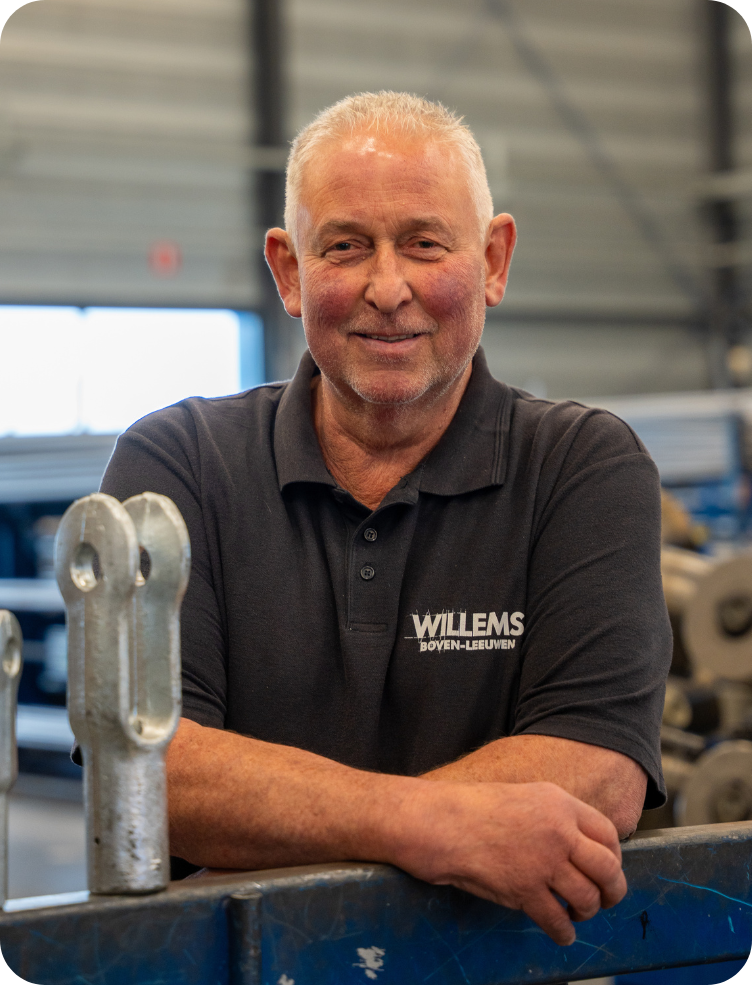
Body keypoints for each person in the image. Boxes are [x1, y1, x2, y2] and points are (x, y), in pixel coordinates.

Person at [100, 91, 672, 947]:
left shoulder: (583, 467)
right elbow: (150, 772)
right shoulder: (179, 465)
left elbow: (594, 772)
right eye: (346, 247)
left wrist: (279, 836)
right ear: (290, 272)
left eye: (424, 243)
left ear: (494, 259)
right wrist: (435, 828)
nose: (388, 287)